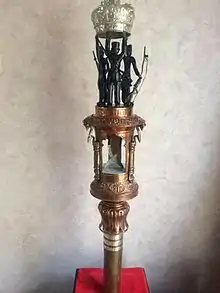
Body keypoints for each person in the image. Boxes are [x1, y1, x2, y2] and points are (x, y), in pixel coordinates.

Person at [105, 33, 127, 106]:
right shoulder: (110, 56)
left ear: (118, 49)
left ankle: (117, 103)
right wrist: (108, 39)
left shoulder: (119, 57)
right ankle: (109, 102)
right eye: (114, 48)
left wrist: (124, 39)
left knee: (117, 89)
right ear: (112, 49)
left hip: (117, 74)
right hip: (111, 74)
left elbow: (124, 51)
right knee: (110, 89)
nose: (115, 50)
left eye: (117, 49)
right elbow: (106, 49)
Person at [94, 36, 109, 106]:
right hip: (100, 77)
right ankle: (102, 100)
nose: (100, 53)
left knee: (103, 89)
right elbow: (97, 50)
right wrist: (96, 41)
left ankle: (104, 100)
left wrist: (105, 71)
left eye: (101, 52)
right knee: (101, 89)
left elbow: (108, 68)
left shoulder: (104, 60)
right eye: (100, 52)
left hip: (103, 77)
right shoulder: (100, 60)